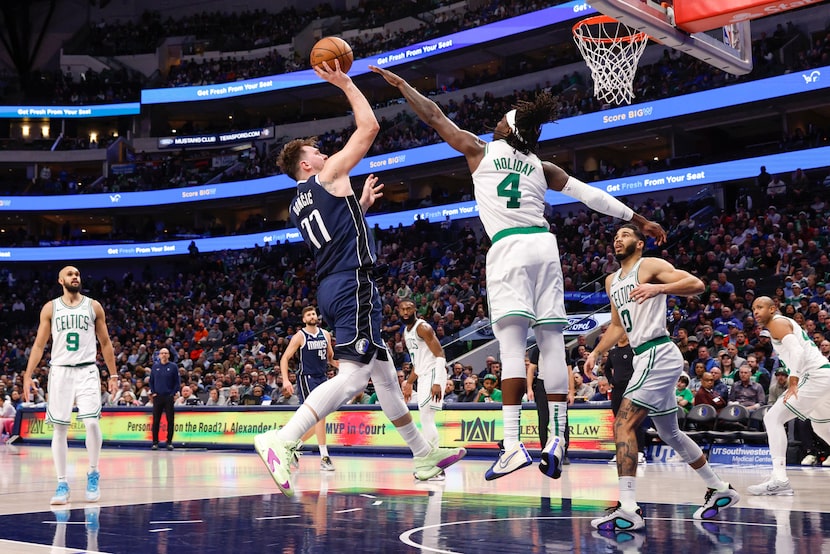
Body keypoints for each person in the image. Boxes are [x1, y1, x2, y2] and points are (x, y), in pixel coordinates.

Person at [371, 64, 665, 482]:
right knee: (550, 345)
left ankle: (512, 446)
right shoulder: (543, 167)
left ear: (506, 131)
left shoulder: (480, 150)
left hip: (508, 247)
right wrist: (640, 220)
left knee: (511, 351)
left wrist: (401, 86)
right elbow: (593, 196)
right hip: (545, 247)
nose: (492, 125)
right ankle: (558, 439)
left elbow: (435, 116)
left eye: (497, 122)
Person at [253, 59, 465, 497]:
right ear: (307, 166)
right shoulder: (329, 175)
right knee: (352, 378)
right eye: (316, 152)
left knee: (385, 377)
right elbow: (368, 128)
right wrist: (346, 82)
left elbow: (334, 235)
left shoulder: (297, 203)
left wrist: (360, 207)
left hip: (332, 285)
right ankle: (283, 440)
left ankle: (423, 455)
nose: (324, 153)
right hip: (353, 285)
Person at [585, 225, 739, 531]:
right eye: (616, 235)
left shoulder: (649, 265)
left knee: (623, 424)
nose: (619, 238)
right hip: (643, 355)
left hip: (658, 351)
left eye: (626, 234)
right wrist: (596, 352)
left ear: (640, 244)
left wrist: (660, 289)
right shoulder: (611, 280)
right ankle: (720, 488)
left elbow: (696, 284)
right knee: (671, 434)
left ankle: (628, 508)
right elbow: (617, 325)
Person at [22, 266, 117, 505]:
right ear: (60, 280)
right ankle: (62, 483)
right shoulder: (51, 308)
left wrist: (113, 375)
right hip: (61, 371)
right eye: (70, 274)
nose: (75, 276)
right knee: (60, 429)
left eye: (77, 273)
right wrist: (27, 374)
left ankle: (93, 473)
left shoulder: (93, 306)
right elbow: (39, 345)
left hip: (86, 369)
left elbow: (105, 343)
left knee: (92, 423)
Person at [748, 296, 830, 495]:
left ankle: (779, 479)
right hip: (824, 374)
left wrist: (793, 380)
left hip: (813, 375)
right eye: (753, 309)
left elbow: (797, 352)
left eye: (760, 307)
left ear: (773, 308)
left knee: (772, 418)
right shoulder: (782, 324)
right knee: (820, 424)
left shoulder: (777, 323)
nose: (756, 312)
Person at [279, 306, 338, 471]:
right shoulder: (300, 336)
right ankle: (324, 457)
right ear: (304, 319)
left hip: (322, 377)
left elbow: (331, 358)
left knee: (318, 420)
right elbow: (285, 358)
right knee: (319, 418)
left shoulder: (325, 334)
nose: (312, 316)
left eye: (313, 313)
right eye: (309, 314)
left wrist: (345, 367)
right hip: (307, 378)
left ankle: (295, 447)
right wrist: (285, 380)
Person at [399, 299, 449, 452]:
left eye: (409, 308)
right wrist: (409, 383)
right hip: (423, 376)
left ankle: (434, 459)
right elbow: (418, 363)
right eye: (402, 309)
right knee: (425, 418)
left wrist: (438, 382)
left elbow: (440, 354)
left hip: (434, 373)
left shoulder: (423, 328)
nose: (406, 312)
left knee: (426, 418)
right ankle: (431, 457)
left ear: (415, 310)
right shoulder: (406, 332)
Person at [603, 335, 646, 464]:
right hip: (617, 390)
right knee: (618, 422)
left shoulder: (633, 350)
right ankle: (620, 452)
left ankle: (639, 452)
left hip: (632, 389)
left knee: (634, 421)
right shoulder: (613, 352)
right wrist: (611, 380)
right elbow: (606, 369)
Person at [149, 347, 180, 450]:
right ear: (159, 355)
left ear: (169, 355)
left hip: (168, 396)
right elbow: (151, 381)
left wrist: (172, 393)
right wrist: (153, 392)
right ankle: (155, 442)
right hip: (157, 396)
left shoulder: (173, 366)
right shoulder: (155, 367)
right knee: (156, 420)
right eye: (162, 353)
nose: (164, 355)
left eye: (166, 353)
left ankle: (169, 442)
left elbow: (177, 382)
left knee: (170, 420)